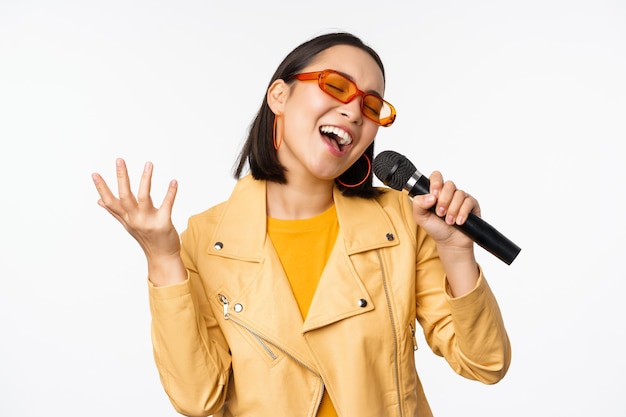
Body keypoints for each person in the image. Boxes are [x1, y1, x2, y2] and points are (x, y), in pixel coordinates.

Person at [92, 31, 511, 417]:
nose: (352, 111)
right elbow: (197, 397)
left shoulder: (402, 221)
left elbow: (485, 364)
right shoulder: (206, 239)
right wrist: (162, 257)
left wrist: (457, 251)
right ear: (279, 95)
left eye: (370, 105)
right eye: (336, 86)